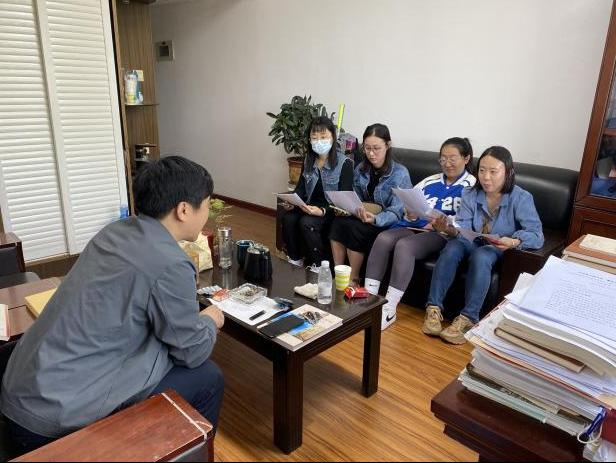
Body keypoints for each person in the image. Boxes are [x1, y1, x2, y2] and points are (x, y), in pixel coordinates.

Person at [1, 156, 225, 451]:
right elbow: (191, 351)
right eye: (206, 205)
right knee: (208, 377)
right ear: (183, 210)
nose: (207, 213)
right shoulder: (171, 263)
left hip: (19, 391)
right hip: (50, 420)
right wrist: (210, 319)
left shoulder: (115, 231)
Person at [425, 146, 544, 344]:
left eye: (493, 171)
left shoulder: (521, 197)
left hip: (500, 248)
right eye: (482, 170)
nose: (486, 177)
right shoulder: (470, 193)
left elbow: (536, 235)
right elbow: (463, 227)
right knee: (453, 246)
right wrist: (448, 229)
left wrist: (514, 241)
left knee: (482, 255)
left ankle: (468, 318)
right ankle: (433, 309)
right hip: (474, 241)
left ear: (508, 172)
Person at [364, 137, 476, 330]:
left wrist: (444, 224)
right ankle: (367, 299)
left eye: (452, 158)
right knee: (383, 238)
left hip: (442, 234)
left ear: (466, 158)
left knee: (405, 246)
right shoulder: (430, 181)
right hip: (415, 226)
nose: (447, 163)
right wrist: (411, 213)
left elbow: (468, 220)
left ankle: (389, 309)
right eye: (443, 159)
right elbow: (410, 205)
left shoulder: (472, 185)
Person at [329, 123, 412, 285]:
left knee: (355, 228)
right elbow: (355, 197)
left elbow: (396, 211)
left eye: (376, 148)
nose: (371, 153)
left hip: (385, 222)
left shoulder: (400, 173)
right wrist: (347, 208)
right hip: (363, 216)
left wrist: (375, 219)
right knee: (338, 223)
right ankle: (338, 273)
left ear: (388, 145)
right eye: (367, 148)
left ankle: (353, 278)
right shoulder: (361, 168)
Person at [281, 116, 354, 266]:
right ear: (309, 140)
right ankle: (295, 260)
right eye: (314, 138)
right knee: (288, 218)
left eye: (323, 137)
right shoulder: (308, 159)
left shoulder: (345, 163)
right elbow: (301, 188)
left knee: (306, 222)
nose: (319, 141)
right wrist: (292, 201)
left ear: (333, 137)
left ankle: (319, 265)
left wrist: (322, 211)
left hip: (331, 210)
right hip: (309, 206)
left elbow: (345, 201)